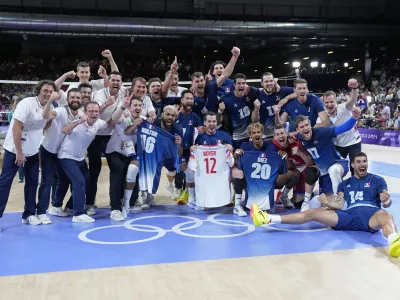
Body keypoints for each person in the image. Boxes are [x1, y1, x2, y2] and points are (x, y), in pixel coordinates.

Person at [250, 152, 400, 258]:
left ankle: (394, 241)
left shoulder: (377, 180)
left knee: (386, 215)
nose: (363, 164)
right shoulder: (344, 184)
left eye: (365, 162)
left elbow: (387, 204)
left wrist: (386, 200)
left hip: (371, 215)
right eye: (359, 162)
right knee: (313, 212)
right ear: (353, 165)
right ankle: (267, 218)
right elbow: (340, 204)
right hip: (350, 216)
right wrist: (328, 203)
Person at [0, 80, 59, 228]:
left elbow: (46, 125)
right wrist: (19, 152)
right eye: (45, 90)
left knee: (32, 183)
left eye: (51, 91)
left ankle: (29, 214)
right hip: (14, 150)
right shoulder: (26, 103)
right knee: (5, 183)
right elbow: (16, 128)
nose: (48, 93)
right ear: (39, 91)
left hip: (32, 151)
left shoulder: (50, 107)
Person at [57, 101, 115, 222]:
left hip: (79, 158)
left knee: (87, 182)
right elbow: (64, 129)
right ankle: (78, 214)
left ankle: (69, 207)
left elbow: (110, 124)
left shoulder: (98, 123)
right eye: (91, 111)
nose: (94, 114)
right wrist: (79, 121)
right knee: (79, 182)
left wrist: (122, 110)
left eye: (96, 111)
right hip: (66, 156)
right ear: (85, 112)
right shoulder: (78, 122)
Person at [295, 107, 361, 212]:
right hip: (324, 174)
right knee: (317, 206)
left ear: (310, 125)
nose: (305, 128)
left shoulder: (322, 132)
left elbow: (342, 128)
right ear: (297, 130)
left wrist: (354, 117)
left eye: (307, 125)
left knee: (333, 170)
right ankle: (313, 196)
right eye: (302, 127)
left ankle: (339, 199)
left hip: (339, 164)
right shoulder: (298, 138)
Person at [232, 123, 300, 216]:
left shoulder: (271, 147)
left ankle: (283, 196)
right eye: (254, 132)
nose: (256, 134)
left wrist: (284, 156)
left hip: (268, 181)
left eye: (258, 132)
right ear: (250, 135)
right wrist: (235, 155)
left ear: (262, 133)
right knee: (236, 173)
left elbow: (281, 167)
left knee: (294, 174)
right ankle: (237, 205)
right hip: (250, 182)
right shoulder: (245, 146)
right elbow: (236, 164)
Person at [41, 88, 84, 220]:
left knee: (64, 180)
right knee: (47, 181)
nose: (75, 99)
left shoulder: (81, 114)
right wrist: (49, 102)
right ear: (67, 99)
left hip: (62, 153)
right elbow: (46, 116)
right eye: (73, 97)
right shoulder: (60, 111)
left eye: (78, 97)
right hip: (48, 150)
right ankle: (42, 211)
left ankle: (56, 206)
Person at [187, 111, 233, 209]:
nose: (212, 124)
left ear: (217, 122)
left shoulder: (224, 136)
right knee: (190, 172)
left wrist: (230, 149)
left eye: (214, 121)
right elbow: (196, 158)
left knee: (232, 172)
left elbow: (231, 159)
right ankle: (193, 198)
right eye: (209, 121)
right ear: (204, 123)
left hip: (220, 171)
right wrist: (193, 149)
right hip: (205, 173)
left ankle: (228, 195)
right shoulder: (199, 138)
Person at [316, 79, 361, 174]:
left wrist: (354, 88)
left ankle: (356, 186)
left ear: (336, 101)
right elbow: (316, 128)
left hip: (353, 142)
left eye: (332, 101)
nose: (329, 104)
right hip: (338, 145)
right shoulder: (322, 115)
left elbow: (352, 100)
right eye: (327, 103)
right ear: (323, 103)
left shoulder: (344, 107)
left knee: (356, 168)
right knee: (337, 169)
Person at [272, 124, 314, 208]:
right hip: (293, 170)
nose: (280, 136)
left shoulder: (297, 142)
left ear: (286, 134)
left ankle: (311, 193)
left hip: (305, 168)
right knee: (289, 174)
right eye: (277, 134)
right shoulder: (273, 144)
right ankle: (283, 195)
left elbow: (311, 162)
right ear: (275, 137)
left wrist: (300, 153)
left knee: (298, 204)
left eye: (282, 133)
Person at [251, 72, 296, 139]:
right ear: (262, 83)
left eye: (271, 81)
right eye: (266, 81)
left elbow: (299, 92)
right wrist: (256, 108)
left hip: (282, 132)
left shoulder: (281, 90)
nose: (269, 83)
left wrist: (286, 99)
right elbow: (254, 121)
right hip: (266, 134)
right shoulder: (258, 95)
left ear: (274, 82)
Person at [7, 95, 25, 183]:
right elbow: (12, 126)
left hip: (24, 139)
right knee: (19, 156)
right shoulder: (11, 113)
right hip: (17, 138)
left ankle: (21, 176)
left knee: (21, 157)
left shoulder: (12, 113)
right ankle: (21, 176)